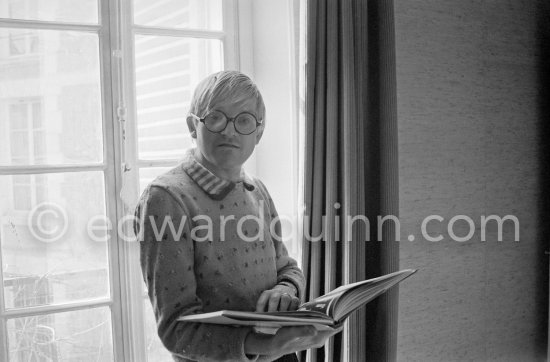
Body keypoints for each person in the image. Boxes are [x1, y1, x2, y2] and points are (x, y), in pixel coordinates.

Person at [134, 70, 340, 362]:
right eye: (216, 117)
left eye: (244, 121)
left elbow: (287, 266)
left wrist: (285, 288)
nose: (229, 131)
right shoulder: (166, 198)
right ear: (193, 126)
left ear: (258, 133)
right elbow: (176, 329)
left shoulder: (257, 190)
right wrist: (266, 345)